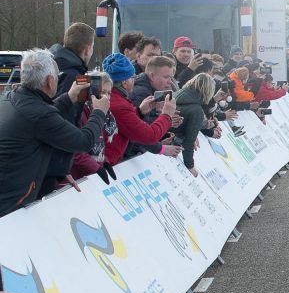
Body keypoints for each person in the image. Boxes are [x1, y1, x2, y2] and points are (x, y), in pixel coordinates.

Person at [0, 49, 110, 216]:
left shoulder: (10, 96)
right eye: (57, 77)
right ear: (50, 81)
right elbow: (84, 141)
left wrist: (69, 97)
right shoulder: (39, 114)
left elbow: (40, 117)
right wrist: (99, 112)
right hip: (11, 203)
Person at [41, 22, 95, 197]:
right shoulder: (76, 76)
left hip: (44, 158)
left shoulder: (53, 65)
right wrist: (62, 166)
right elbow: (68, 119)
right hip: (51, 163)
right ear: (87, 49)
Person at [101, 53, 176, 166]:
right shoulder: (119, 104)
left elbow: (123, 122)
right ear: (124, 82)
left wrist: (139, 112)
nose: (135, 79)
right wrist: (166, 115)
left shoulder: (115, 99)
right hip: (103, 163)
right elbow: (149, 136)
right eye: (133, 77)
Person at [174, 73, 218, 178]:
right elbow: (189, 142)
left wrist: (203, 124)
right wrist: (190, 166)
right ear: (209, 91)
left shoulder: (176, 94)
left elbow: (185, 119)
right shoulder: (196, 110)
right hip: (169, 143)